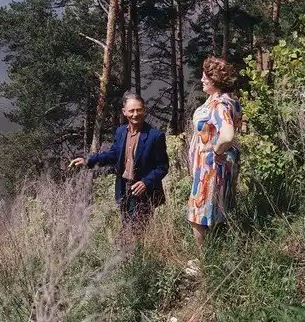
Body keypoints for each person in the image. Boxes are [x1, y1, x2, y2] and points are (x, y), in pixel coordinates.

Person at [70, 92, 169, 227]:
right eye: (131, 111)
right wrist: (88, 160)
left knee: (138, 230)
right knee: (126, 227)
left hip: (144, 194)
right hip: (123, 189)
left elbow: (162, 167)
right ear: (124, 112)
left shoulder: (155, 136)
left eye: (139, 110)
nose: (135, 114)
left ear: (144, 110)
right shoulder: (121, 132)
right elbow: (113, 155)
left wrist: (145, 182)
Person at [187, 56, 242, 249]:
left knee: (198, 213)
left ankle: (203, 257)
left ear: (215, 79)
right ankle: (219, 251)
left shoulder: (219, 104)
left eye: (206, 76)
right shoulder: (229, 101)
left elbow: (227, 135)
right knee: (219, 209)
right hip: (217, 166)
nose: (202, 79)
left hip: (210, 167)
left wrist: (215, 150)